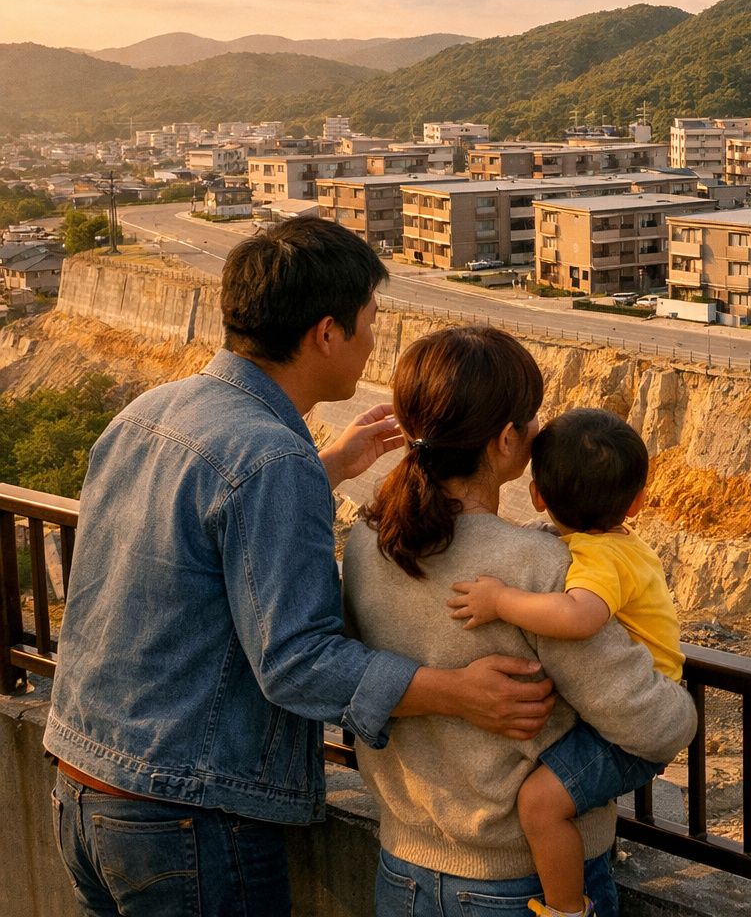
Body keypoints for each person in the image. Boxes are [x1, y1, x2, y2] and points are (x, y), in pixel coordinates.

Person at [45, 218, 556, 917]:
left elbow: (201, 541)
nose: (375, 341)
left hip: (84, 786)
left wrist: (328, 468)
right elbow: (296, 660)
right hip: (186, 815)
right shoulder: (267, 460)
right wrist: (454, 690)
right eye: (370, 323)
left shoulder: (153, 410)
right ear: (326, 333)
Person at [345, 329, 695, 917]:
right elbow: (655, 726)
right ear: (505, 440)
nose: (538, 433)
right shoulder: (536, 566)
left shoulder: (367, 541)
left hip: (402, 868)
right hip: (517, 884)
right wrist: (677, 697)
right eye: (530, 422)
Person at [449, 407, 683, 917]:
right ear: (638, 502)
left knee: (540, 804)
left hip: (635, 727)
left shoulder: (601, 559)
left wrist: (502, 601)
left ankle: (566, 910)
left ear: (537, 495)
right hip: (638, 707)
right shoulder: (609, 546)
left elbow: (579, 618)